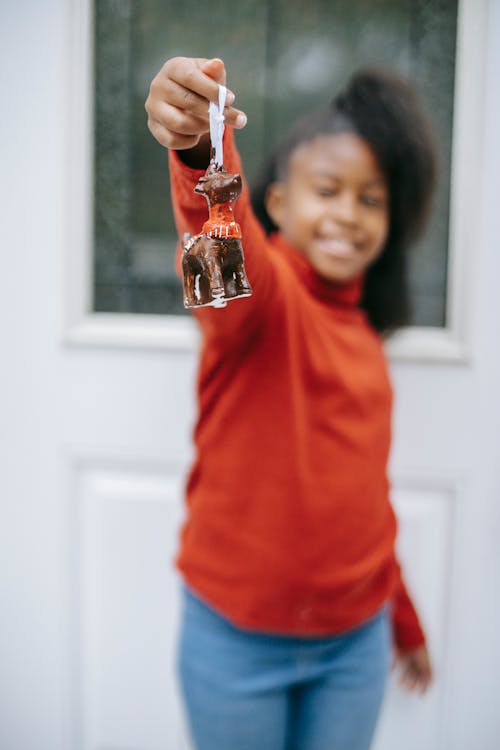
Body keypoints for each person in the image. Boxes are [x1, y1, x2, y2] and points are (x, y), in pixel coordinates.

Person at [146, 56, 436, 750]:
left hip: (355, 646)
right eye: (329, 190)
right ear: (278, 204)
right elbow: (217, 268)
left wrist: (403, 621)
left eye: (371, 199)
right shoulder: (257, 303)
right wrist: (200, 149)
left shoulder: (364, 338)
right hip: (236, 643)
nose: (348, 213)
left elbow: (366, 497)